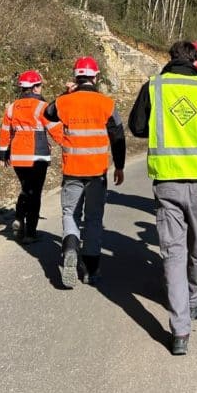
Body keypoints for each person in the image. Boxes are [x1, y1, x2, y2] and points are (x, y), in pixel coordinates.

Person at [129, 40, 197, 356]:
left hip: (167, 180)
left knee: (172, 253)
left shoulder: (154, 86)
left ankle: (180, 330)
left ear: (170, 58)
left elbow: (137, 127)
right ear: (196, 60)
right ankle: (194, 298)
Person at [44, 56, 125, 288]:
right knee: (93, 219)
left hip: (72, 170)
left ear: (76, 77)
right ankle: (91, 269)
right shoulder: (106, 103)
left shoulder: (65, 102)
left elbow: (48, 113)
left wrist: (65, 93)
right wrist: (119, 166)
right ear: (96, 77)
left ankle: (70, 248)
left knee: (70, 213)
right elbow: (118, 136)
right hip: (97, 172)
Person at [0, 70, 64, 243]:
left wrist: (3, 153)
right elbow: (56, 129)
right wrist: (69, 145)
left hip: (18, 156)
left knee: (26, 188)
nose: (41, 88)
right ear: (35, 88)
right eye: (40, 85)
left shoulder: (12, 107)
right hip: (37, 156)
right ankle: (30, 233)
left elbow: (5, 131)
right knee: (35, 193)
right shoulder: (42, 107)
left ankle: (19, 218)